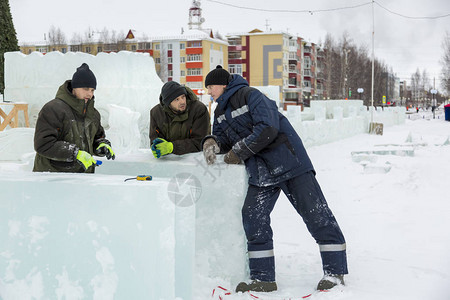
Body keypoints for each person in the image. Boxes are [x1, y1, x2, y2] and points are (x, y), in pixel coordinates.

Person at [202, 66, 348, 293]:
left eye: (210, 87)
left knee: (316, 213)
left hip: (290, 162)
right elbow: (222, 138)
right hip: (262, 172)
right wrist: (213, 143)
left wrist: (239, 150)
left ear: (222, 84)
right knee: (253, 215)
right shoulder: (219, 112)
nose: (208, 91)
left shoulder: (251, 96)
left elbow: (268, 127)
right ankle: (263, 278)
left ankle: (335, 272)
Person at [33, 63, 115, 173]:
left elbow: (96, 138)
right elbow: (44, 144)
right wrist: (75, 153)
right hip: (52, 177)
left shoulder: (93, 114)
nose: (89, 94)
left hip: (83, 178)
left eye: (92, 90)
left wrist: (101, 145)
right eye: (86, 89)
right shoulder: (53, 109)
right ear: (74, 88)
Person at [149, 81, 210, 158]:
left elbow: (200, 141)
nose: (182, 102)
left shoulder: (199, 109)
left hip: (194, 159)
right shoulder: (156, 113)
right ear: (168, 103)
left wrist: (172, 147)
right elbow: (154, 138)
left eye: (183, 97)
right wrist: (156, 147)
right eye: (177, 99)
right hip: (167, 160)